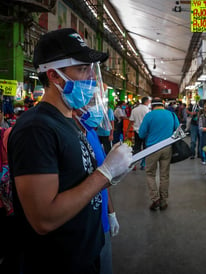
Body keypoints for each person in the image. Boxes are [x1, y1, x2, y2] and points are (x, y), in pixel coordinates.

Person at [7, 28, 132, 274]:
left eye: (90, 69)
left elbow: (77, 180)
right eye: (82, 69)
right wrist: (104, 174)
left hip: (86, 254)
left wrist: (110, 176)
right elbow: (44, 219)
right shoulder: (36, 129)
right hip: (58, 264)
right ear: (54, 75)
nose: (92, 79)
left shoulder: (70, 121)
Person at [73, 108, 120, 274]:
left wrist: (111, 212)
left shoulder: (90, 132)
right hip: (80, 231)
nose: (96, 108)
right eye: (91, 100)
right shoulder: (61, 134)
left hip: (101, 221)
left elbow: (101, 176)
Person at [139, 98, 179, 210]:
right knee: (164, 175)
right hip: (167, 148)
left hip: (152, 149)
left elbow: (141, 134)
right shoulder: (171, 114)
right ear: (163, 105)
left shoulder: (149, 116)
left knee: (150, 174)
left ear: (152, 106)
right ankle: (163, 201)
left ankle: (155, 198)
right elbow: (178, 130)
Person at [127, 96, 151, 170]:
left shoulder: (134, 110)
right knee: (145, 148)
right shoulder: (148, 111)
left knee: (136, 148)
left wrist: (127, 131)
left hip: (136, 132)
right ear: (146, 102)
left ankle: (133, 164)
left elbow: (131, 121)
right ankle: (143, 164)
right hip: (146, 132)